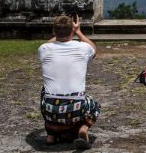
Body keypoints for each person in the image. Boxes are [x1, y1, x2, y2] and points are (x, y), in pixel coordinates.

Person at [38, 14, 100, 149]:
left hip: (51, 109)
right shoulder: (83, 48)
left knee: (44, 90)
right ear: (71, 31)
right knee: (94, 105)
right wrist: (78, 31)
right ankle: (83, 127)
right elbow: (94, 49)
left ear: (54, 32)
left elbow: (51, 42)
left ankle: (51, 134)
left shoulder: (43, 49)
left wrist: (60, 32)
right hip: (75, 109)